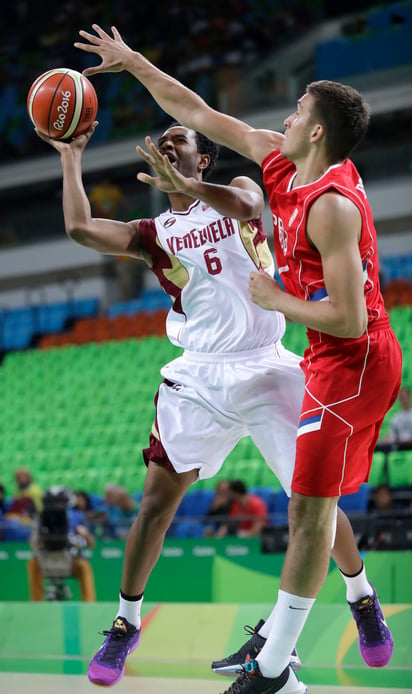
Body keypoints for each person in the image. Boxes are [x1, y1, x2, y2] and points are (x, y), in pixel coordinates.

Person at [73, 26, 402, 694]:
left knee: (311, 505)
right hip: (212, 370)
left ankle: (340, 616)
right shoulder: (178, 218)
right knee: (168, 502)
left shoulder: (287, 194)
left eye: (296, 114)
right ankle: (131, 625)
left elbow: (340, 305)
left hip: (306, 359)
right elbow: (194, 109)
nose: (282, 118)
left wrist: (272, 287)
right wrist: (135, 62)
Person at [27, 486, 96, 602]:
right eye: (53, 502)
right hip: (46, 558)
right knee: (33, 564)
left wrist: (84, 535)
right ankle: (36, 605)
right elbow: (33, 544)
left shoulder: (77, 516)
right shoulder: (40, 517)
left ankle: (90, 604)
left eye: (60, 502)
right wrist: (38, 534)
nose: (56, 505)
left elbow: (91, 544)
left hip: (70, 558)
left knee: (84, 566)